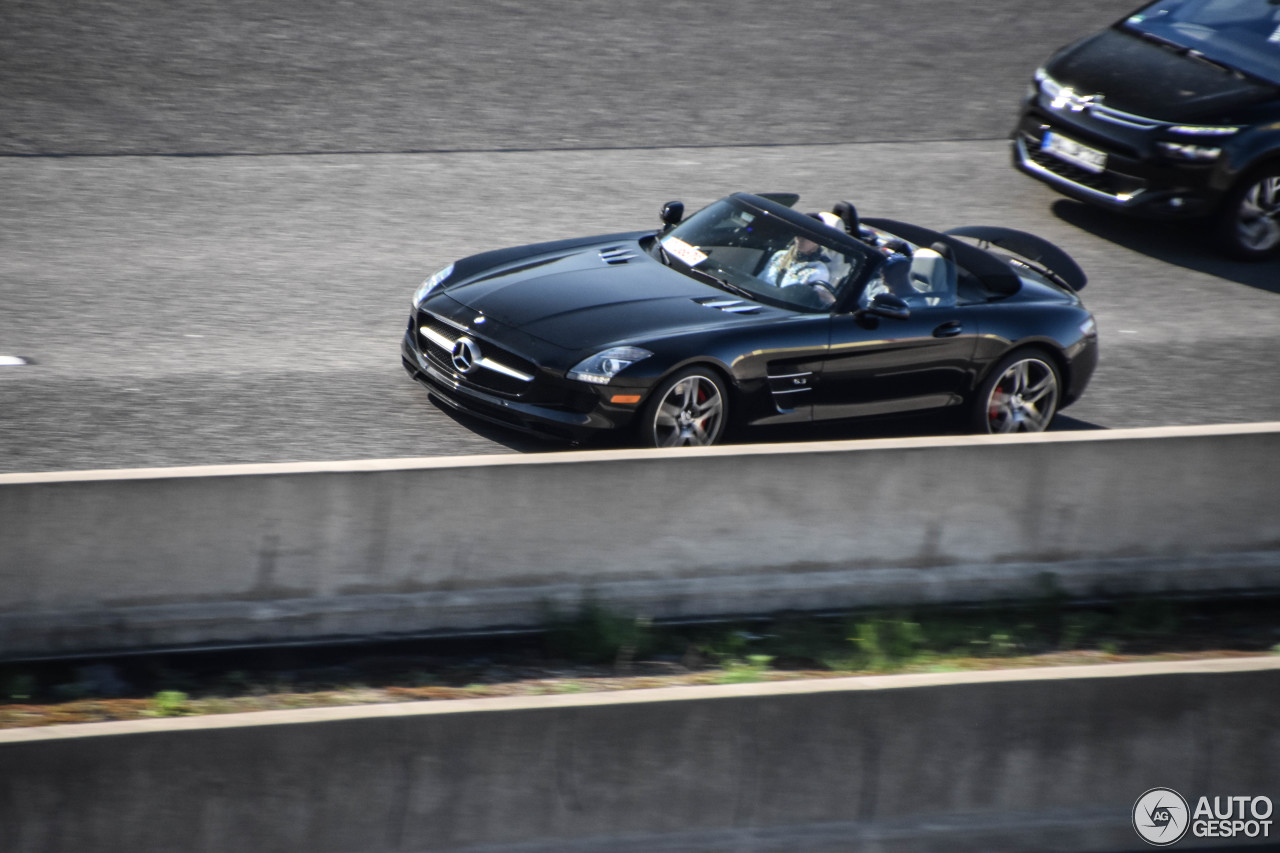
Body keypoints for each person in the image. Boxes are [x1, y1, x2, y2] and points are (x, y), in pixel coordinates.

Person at [759, 212, 844, 306]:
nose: (801, 239)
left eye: (807, 236)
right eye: (799, 234)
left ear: (818, 240)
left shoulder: (818, 271)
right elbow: (758, 283)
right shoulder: (779, 256)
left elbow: (808, 303)